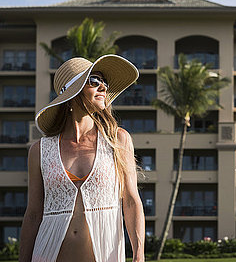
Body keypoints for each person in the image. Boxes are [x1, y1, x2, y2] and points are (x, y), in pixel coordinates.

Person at [19, 55, 144, 262]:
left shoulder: (118, 140)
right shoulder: (40, 150)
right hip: (48, 255)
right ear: (72, 92)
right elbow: (33, 214)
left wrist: (139, 255)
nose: (103, 87)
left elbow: (131, 201)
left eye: (105, 82)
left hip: (105, 255)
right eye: (94, 81)